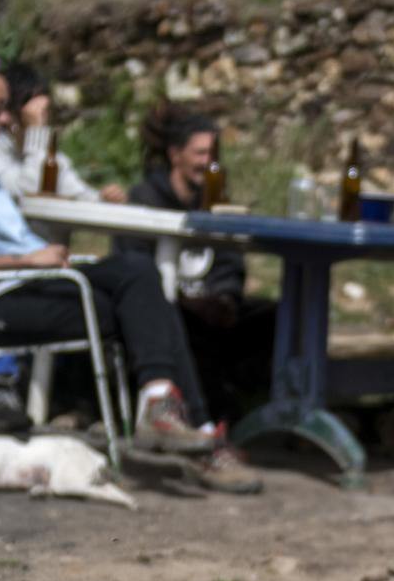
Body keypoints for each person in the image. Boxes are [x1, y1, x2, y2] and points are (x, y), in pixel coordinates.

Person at [0, 47, 261, 493]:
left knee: (142, 283)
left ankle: (162, 407)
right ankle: (190, 427)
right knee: (142, 286)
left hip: (33, 286)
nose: (6, 119)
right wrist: (29, 259)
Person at [0, 61, 127, 417]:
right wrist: (37, 135)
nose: (41, 121)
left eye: (45, 113)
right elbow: (25, 193)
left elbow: (85, 202)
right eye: (34, 111)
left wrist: (105, 200)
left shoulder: (53, 160)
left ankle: (71, 392)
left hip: (45, 273)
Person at [110, 103, 276, 427]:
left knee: (275, 317)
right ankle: (202, 412)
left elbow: (231, 262)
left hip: (212, 308)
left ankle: (258, 400)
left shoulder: (217, 201)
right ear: (175, 155)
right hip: (169, 308)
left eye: (212, 154)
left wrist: (226, 298)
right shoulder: (145, 198)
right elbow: (133, 265)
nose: (207, 162)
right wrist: (188, 302)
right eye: (200, 153)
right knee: (179, 323)